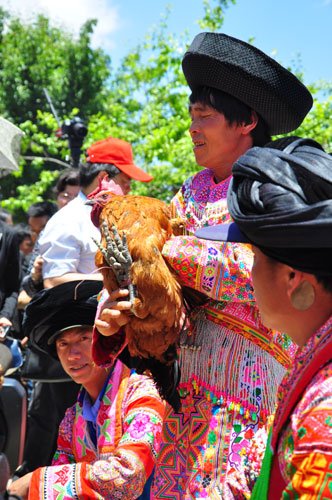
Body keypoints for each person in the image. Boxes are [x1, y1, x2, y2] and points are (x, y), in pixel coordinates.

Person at [92, 32, 313, 498]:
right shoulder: (190, 192)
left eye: (204, 117)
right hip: (183, 399)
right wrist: (114, 313)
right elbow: (150, 282)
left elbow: (258, 269)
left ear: (247, 120)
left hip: (248, 400)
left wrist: (162, 253)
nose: (192, 129)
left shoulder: (275, 186)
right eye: (191, 116)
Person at [195, 136, 332, 499]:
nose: (249, 274)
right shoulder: (311, 359)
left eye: (254, 258)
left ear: (293, 278)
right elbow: (256, 469)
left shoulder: (324, 418)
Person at [8, 281, 165, 500]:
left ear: (106, 342)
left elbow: (129, 476)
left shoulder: (143, 394)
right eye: (63, 344)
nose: (73, 354)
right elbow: (59, 475)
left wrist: (36, 482)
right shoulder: (71, 419)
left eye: (84, 338)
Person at [39, 136, 153, 289]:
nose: (128, 189)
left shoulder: (115, 217)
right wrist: (123, 280)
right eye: (125, 182)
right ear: (102, 178)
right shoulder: (67, 220)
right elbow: (54, 280)